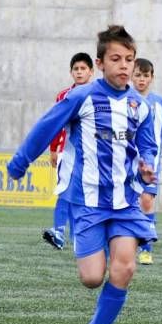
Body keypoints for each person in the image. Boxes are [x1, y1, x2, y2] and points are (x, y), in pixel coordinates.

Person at [8, 25, 158, 324]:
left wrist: (147, 167)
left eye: (129, 60)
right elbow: (46, 127)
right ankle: (100, 247)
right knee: (92, 278)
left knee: (125, 268)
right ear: (100, 63)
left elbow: (146, 145)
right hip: (88, 202)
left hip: (124, 203)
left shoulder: (140, 105)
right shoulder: (82, 97)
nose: (124, 66)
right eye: (116, 59)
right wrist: (20, 163)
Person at [43, 52, 94, 250]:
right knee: (64, 189)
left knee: (80, 195)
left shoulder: (97, 94)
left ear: (91, 71)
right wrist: (54, 149)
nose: (79, 72)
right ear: (71, 73)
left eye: (83, 69)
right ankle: (58, 232)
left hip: (91, 155)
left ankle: (76, 236)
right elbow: (56, 123)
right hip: (68, 152)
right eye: (76, 69)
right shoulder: (63, 96)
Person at [130, 58, 162, 265]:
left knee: (146, 200)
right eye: (137, 75)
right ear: (131, 76)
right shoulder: (124, 100)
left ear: (152, 78)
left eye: (145, 76)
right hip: (125, 162)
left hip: (151, 163)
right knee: (127, 203)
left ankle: (146, 249)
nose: (141, 79)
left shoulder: (160, 103)